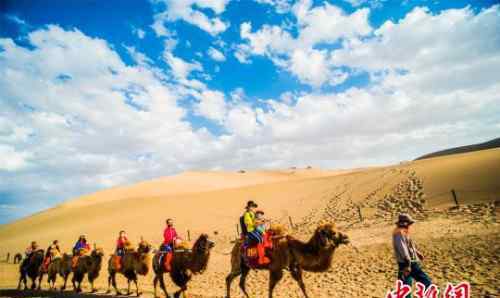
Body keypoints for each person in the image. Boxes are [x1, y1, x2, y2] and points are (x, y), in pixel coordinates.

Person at [392, 213, 432, 295]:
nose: (410, 225)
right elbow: (403, 249)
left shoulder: (404, 232)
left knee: (405, 286)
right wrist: (408, 264)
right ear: (405, 223)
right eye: (409, 223)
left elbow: (409, 246)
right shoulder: (399, 234)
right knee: (426, 281)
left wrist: (417, 252)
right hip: (408, 263)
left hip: (407, 263)